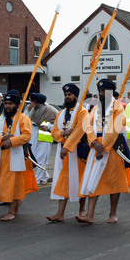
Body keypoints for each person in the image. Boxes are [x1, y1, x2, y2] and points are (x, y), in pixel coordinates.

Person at [76, 78, 130, 224]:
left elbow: (115, 129)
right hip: (96, 149)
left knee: (114, 183)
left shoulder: (118, 108)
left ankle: (113, 214)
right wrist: (93, 142)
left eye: (104, 91)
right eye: (99, 91)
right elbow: (88, 126)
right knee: (93, 179)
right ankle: (90, 215)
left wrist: (103, 147)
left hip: (113, 150)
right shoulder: (94, 108)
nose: (101, 94)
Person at [0, 90, 38, 221]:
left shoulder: (23, 118)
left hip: (17, 156)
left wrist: (12, 141)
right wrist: (4, 138)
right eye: (6, 103)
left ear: (17, 104)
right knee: (5, 184)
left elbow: (26, 135)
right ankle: (16, 204)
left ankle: (11, 211)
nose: (8, 106)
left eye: (11, 104)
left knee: (14, 185)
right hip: (2, 157)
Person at [47, 83, 89, 222]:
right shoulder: (60, 114)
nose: (67, 97)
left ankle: (82, 211)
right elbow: (54, 133)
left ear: (75, 96)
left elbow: (80, 130)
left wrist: (67, 145)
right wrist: (64, 133)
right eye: (65, 95)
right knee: (63, 182)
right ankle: (60, 214)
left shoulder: (82, 112)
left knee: (80, 181)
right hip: (63, 154)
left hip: (78, 152)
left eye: (69, 95)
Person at [25, 93, 57, 185]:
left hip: (45, 135)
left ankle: (36, 180)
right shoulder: (30, 108)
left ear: (36, 102)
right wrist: (28, 110)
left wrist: (49, 127)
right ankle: (44, 177)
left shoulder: (50, 110)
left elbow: (57, 123)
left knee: (40, 158)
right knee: (34, 156)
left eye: (31, 101)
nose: (30, 103)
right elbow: (25, 119)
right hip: (34, 134)